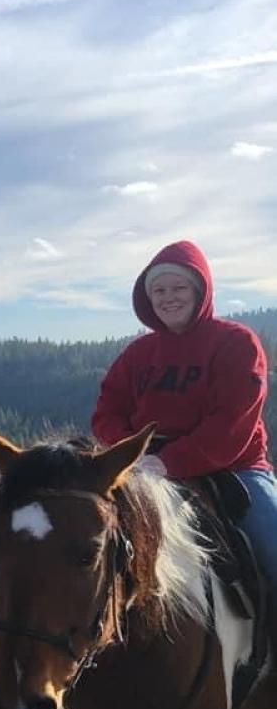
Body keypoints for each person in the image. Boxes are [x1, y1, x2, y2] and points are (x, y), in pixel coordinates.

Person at [92, 239, 277, 594]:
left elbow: (232, 424)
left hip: (233, 469)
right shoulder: (138, 353)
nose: (168, 297)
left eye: (179, 287)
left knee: (271, 548)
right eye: (158, 290)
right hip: (145, 467)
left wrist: (169, 462)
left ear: (200, 291)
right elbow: (107, 412)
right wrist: (132, 454)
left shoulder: (237, 343)